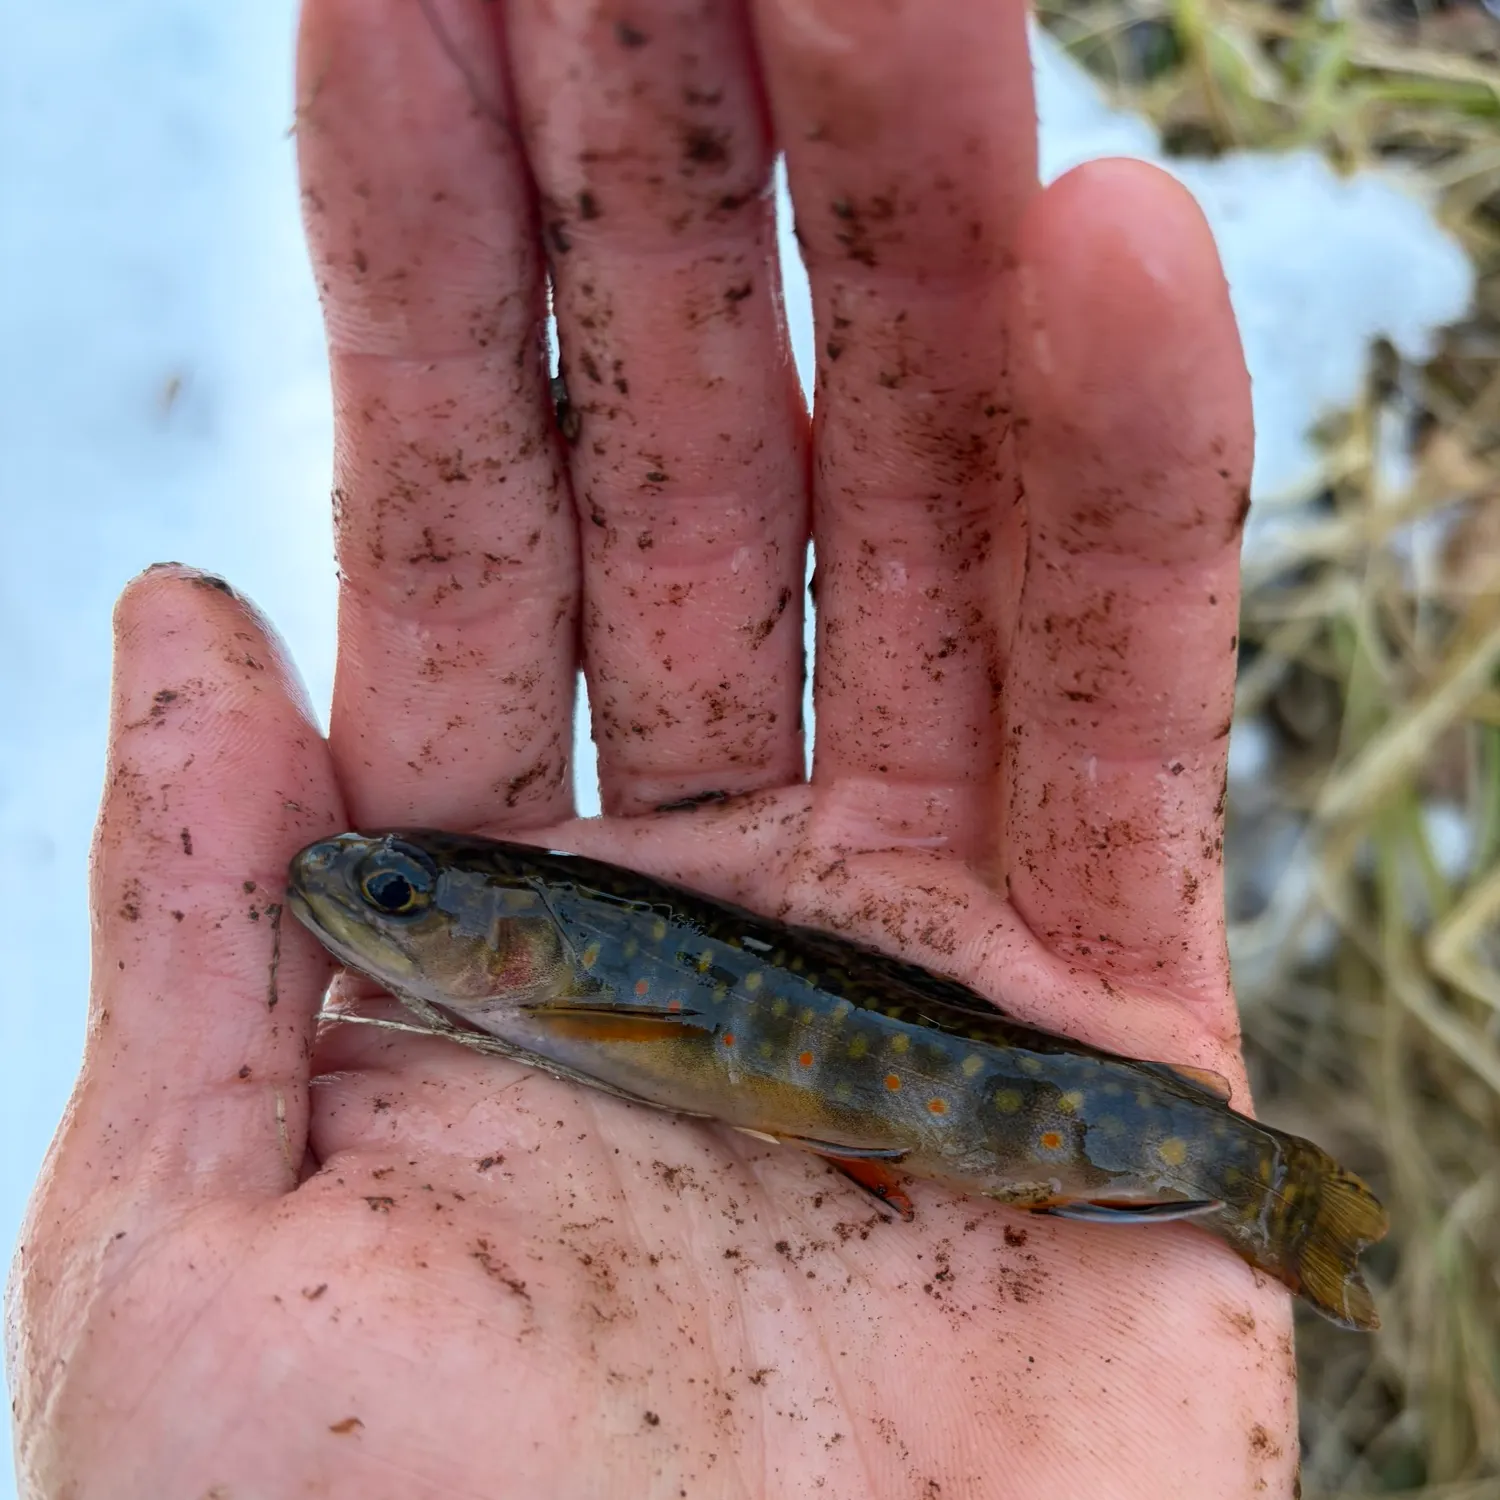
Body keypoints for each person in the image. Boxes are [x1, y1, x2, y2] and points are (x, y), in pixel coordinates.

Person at [8, 1, 1299, 1495]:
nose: (361, 900)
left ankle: (1247, 1184)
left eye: (408, 902)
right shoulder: (531, 1002)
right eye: (398, 898)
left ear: (516, 936)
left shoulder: (545, 989)